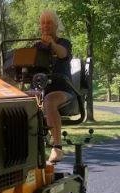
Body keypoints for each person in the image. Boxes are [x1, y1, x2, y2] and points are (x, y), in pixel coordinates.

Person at [35, 10, 73, 164]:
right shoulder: (37, 46)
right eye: (43, 23)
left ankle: (57, 147)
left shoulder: (64, 43)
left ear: (56, 25)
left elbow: (63, 53)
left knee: (49, 100)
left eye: (49, 22)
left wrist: (51, 43)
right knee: (20, 99)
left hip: (63, 89)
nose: (45, 25)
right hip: (42, 89)